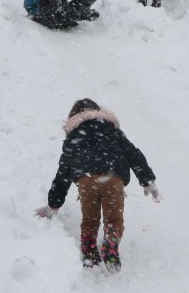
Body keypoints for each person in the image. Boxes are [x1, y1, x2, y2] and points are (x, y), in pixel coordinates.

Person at [35, 98, 160, 271]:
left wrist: (53, 204)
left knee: (90, 220)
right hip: (113, 178)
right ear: (99, 112)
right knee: (114, 219)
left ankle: (89, 253)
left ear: (73, 117)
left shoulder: (73, 139)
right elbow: (134, 155)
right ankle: (110, 243)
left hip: (87, 181)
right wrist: (147, 181)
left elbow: (63, 174)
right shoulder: (113, 132)